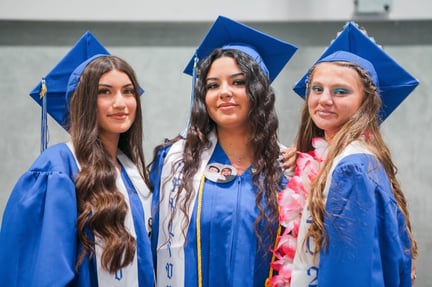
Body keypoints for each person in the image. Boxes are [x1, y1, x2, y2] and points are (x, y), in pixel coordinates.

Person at [149, 16, 297, 287]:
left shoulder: (287, 170)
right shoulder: (176, 164)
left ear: (259, 91)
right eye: (213, 85)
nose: (224, 92)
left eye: (238, 82)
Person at [268, 22, 418, 287]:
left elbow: (351, 272)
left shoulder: (352, 168)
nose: (324, 99)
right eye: (317, 89)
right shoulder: (329, 162)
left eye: (341, 91)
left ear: (366, 103)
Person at [0, 31, 155, 286]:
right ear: (82, 103)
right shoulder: (58, 168)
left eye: (128, 92)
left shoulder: (132, 173)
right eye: (105, 92)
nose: (121, 103)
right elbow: (45, 270)